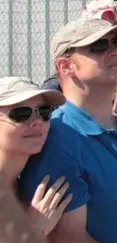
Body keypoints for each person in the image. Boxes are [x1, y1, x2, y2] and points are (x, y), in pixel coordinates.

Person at [19, 16, 117, 243]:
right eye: (98, 46)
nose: (113, 52)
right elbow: (69, 237)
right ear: (66, 66)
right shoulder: (58, 137)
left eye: (116, 42)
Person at [0, 77, 73, 239]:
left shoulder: (24, 185)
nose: (37, 121)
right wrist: (36, 230)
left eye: (44, 112)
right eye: (21, 114)